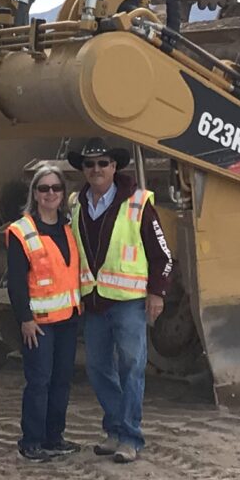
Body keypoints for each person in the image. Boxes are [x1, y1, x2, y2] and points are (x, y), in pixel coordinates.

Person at [68, 138, 172, 463]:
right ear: (83, 170)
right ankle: (115, 428)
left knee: (131, 367)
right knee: (98, 368)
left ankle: (130, 437)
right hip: (95, 302)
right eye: (89, 164)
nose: (96, 169)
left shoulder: (139, 203)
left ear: (115, 166)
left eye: (103, 163)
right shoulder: (76, 205)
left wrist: (157, 293)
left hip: (128, 302)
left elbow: (163, 255)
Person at [2, 162, 81, 460]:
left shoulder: (69, 228)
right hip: (38, 323)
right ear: (35, 193)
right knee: (39, 382)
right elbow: (17, 282)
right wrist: (25, 318)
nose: (50, 193)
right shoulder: (22, 231)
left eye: (56, 188)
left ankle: (54, 437)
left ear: (63, 193)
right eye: (44, 188)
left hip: (68, 320)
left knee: (61, 381)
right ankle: (32, 441)